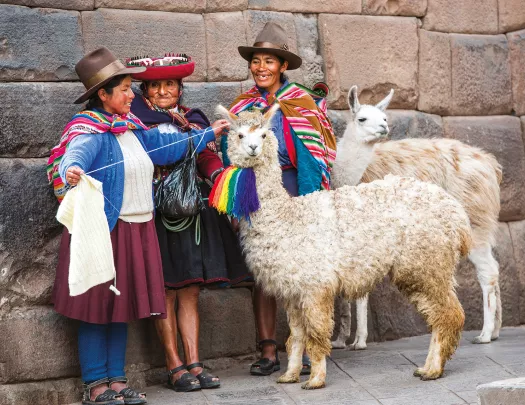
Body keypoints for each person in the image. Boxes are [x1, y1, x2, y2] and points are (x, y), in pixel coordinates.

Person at [47, 47, 228, 405]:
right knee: (97, 308)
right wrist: (71, 170)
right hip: (106, 230)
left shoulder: (131, 129)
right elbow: (76, 152)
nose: (134, 95)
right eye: (127, 89)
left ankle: (117, 381)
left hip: (135, 229)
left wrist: (207, 134)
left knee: (119, 308)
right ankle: (96, 384)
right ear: (104, 94)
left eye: (131, 87)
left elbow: (167, 144)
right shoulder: (91, 130)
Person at [128, 54, 250, 392]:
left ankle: (195, 361)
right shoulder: (137, 123)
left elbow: (208, 156)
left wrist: (220, 177)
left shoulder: (193, 119)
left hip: (192, 210)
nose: (164, 91)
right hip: (156, 212)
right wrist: (201, 138)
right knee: (166, 290)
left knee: (190, 289)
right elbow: (160, 154)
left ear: (180, 88)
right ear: (145, 90)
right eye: (156, 85)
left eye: (170, 84)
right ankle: (173, 364)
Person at [224, 22, 337, 376]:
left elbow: (317, 153)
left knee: (303, 272)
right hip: (257, 191)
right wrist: (236, 200)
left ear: (283, 66)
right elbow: (233, 154)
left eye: (269, 61)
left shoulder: (301, 102)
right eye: (256, 61)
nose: (261, 68)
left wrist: (312, 198)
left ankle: (303, 347)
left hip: (295, 186)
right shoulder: (243, 106)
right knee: (264, 273)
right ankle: (268, 347)